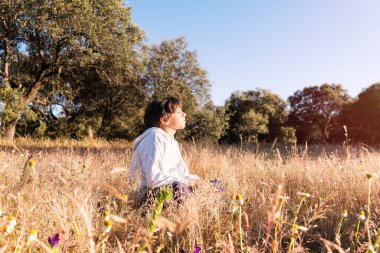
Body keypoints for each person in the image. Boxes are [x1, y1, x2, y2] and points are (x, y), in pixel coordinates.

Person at [130, 97, 200, 204]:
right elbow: (154, 179)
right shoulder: (154, 138)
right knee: (179, 189)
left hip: (170, 187)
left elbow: (182, 173)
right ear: (164, 120)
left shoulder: (172, 142)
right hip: (150, 193)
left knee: (215, 184)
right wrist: (187, 183)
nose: (184, 114)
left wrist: (197, 181)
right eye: (179, 112)